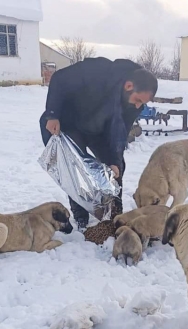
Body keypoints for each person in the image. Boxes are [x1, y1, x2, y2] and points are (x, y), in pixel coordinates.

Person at [39, 57, 158, 230]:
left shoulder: (133, 105)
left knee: (116, 171)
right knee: (75, 170)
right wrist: (52, 114)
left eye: (142, 103)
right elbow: (59, 79)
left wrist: (114, 161)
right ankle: (81, 217)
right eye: (138, 100)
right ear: (129, 86)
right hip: (70, 122)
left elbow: (120, 134)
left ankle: (115, 217)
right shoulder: (98, 70)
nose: (138, 106)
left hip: (100, 131)